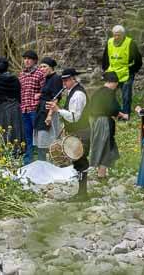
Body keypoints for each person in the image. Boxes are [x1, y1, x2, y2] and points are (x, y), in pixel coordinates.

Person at [48, 68, 90, 200]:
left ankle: (83, 193)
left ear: (74, 79)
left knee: (81, 161)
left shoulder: (78, 95)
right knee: (78, 162)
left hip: (81, 131)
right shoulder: (72, 92)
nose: (64, 83)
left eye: (66, 80)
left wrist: (57, 110)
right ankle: (81, 192)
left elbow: (74, 117)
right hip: (76, 131)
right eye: (63, 81)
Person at [87, 72, 128, 180]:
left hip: (94, 121)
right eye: (116, 84)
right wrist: (123, 115)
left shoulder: (97, 92)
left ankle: (100, 171)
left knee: (99, 144)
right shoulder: (109, 92)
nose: (116, 86)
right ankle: (101, 174)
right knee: (105, 146)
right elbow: (113, 109)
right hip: (104, 122)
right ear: (112, 82)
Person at [101, 25, 142, 117]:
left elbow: (138, 60)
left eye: (118, 35)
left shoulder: (130, 43)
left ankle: (125, 115)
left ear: (123, 35)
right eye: (115, 35)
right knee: (109, 95)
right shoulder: (110, 42)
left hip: (126, 74)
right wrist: (105, 70)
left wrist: (132, 71)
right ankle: (114, 113)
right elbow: (105, 57)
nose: (116, 37)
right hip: (112, 74)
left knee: (126, 97)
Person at [0, 57, 22, 159]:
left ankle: (2, 158)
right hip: (14, 109)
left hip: (0, 110)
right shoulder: (15, 78)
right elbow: (18, 95)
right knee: (14, 133)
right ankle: (14, 157)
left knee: (1, 134)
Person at [17, 50, 46, 165]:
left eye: (29, 59)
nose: (26, 61)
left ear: (34, 61)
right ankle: (28, 161)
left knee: (39, 136)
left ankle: (41, 161)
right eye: (25, 59)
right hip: (24, 109)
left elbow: (45, 91)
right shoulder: (21, 74)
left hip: (35, 109)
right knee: (27, 136)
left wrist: (39, 96)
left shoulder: (40, 73)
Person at [33, 58, 63, 160]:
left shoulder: (56, 78)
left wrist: (49, 115)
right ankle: (43, 166)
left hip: (48, 113)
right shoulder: (47, 78)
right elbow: (48, 92)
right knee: (41, 142)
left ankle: (49, 167)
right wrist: (40, 95)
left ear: (51, 67)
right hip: (42, 111)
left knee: (48, 141)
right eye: (40, 66)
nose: (42, 69)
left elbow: (55, 98)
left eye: (44, 66)